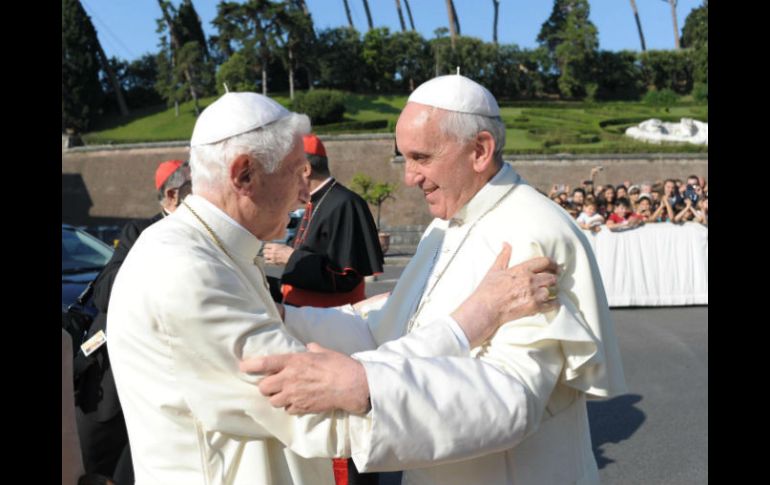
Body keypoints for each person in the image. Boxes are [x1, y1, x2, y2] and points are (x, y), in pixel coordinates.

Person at [107, 91, 561, 485]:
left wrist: (383, 316)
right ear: (244, 175)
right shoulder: (185, 270)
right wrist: (472, 319)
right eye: (295, 172)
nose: (306, 195)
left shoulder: (202, 249)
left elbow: (292, 329)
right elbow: (322, 406)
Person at [243, 75, 626, 485]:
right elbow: (385, 332)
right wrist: (283, 317)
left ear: (479, 150)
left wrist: (367, 385)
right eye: (404, 158)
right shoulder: (443, 227)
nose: (409, 177)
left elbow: (515, 396)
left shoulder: (534, 233)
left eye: (421, 157)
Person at [263, 133, 384, 485]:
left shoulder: (343, 203)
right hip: (307, 328)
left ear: (303, 168)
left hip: (335, 334)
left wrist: (291, 258)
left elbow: (345, 276)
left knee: (343, 436)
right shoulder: (316, 202)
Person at [73, 159, 191, 484]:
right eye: (196, 189)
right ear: (172, 194)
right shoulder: (140, 232)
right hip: (112, 382)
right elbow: (106, 293)